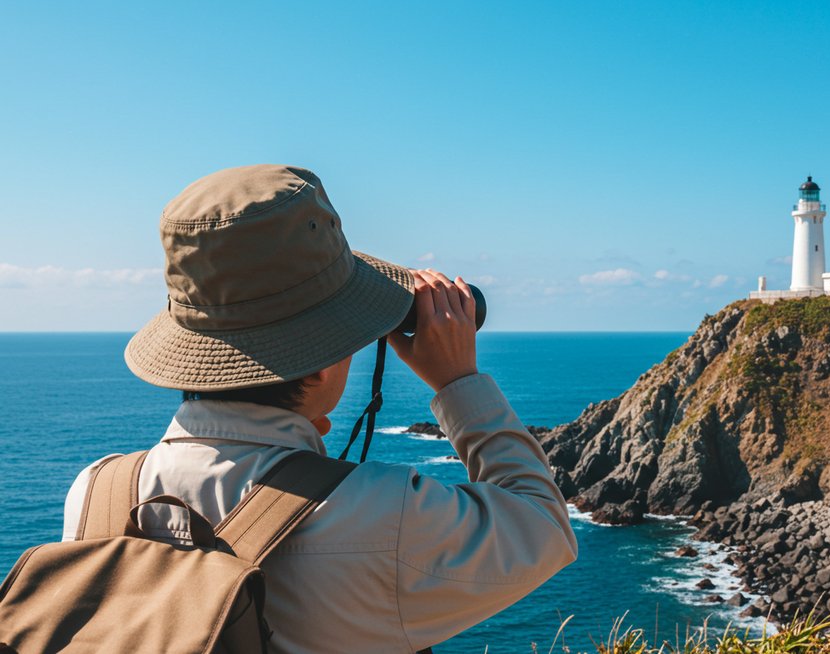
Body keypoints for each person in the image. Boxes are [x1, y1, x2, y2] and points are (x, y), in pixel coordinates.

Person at [59, 164, 578, 653]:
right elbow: (545, 526)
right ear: (317, 365)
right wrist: (457, 381)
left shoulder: (96, 495)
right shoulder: (381, 515)